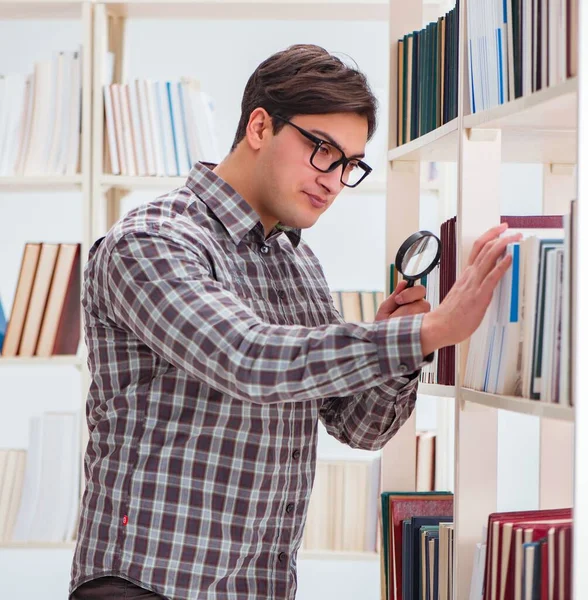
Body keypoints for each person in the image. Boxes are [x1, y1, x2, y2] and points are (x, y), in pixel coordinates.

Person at [69, 44, 519, 600]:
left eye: (350, 164)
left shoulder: (296, 263)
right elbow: (248, 358)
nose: (334, 181)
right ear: (260, 125)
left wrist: (401, 354)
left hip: (258, 586)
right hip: (148, 583)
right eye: (323, 150)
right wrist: (423, 333)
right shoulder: (150, 242)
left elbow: (359, 427)